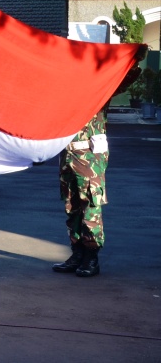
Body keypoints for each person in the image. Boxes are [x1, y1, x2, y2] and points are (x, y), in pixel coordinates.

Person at [52, 62, 142, 278]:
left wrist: (135, 56)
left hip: (90, 157)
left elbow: (126, 77)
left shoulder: (99, 93)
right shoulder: (62, 95)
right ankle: (77, 254)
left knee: (90, 205)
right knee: (71, 205)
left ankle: (91, 257)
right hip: (67, 155)